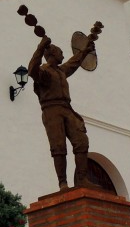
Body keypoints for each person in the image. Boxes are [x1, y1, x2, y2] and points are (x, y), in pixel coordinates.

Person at [26, 34, 96, 191]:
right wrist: (40, 47)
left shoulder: (61, 71)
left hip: (67, 108)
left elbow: (74, 62)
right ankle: (62, 182)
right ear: (52, 54)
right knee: (58, 146)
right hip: (51, 110)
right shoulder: (44, 72)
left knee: (81, 141)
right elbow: (31, 70)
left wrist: (85, 51)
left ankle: (81, 179)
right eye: (61, 53)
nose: (63, 55)